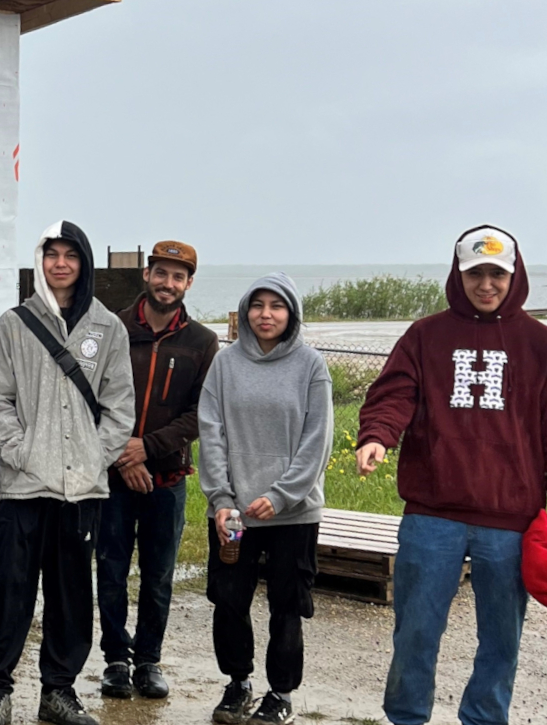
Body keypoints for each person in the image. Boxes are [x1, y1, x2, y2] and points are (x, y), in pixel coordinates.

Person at [357, 226, 547, 725]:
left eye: (496, 274)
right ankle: (406, 716)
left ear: (514, 275)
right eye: (475, 274)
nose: (486, 284)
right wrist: (378, 435)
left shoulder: (538, 343)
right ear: (458, 275)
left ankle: (485, 719)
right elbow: (394, 394)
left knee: (501, 639)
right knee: (416, 630)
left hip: (510, 519)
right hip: (431, 514)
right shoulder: (425, 335)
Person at [0, 220, 135, 725]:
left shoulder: (109, 328)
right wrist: (19, 451)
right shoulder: (14, 324)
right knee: (10, 593)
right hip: (24, 487)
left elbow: (120, 407)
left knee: (70, 596)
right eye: (52, 254)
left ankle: (58, 691)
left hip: (81, 490)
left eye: (71, 255)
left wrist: (93, 456)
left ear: (84, 263)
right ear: (40, 260)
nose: (60, 264)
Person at [199, 273, 332, 725]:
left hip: (293, 513)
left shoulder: (311, 365)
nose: (266, 314)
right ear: (244, 312)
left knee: (287, 605)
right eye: (257, 305)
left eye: (276, 306)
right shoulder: (225, 364)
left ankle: (280, 693)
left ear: (291, 312)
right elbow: (211, 432)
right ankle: (237, 684)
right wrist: (221, 497)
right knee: (229, 599)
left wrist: (281, 496)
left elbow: (318, 440)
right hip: (233, 512)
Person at [98, 241, 218, 701]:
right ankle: (114, 660)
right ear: (146, 274)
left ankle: (148, 660)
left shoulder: (203, 342)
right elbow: (94, 398)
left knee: (158, 573)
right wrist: (121, 456)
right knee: (110, 569)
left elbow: (200, 414)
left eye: (178, 276)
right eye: (161, 273)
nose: (168, 283)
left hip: (166, 480)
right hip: (111, 478)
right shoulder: (112, 328)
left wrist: (145, 449)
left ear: (188, 283)